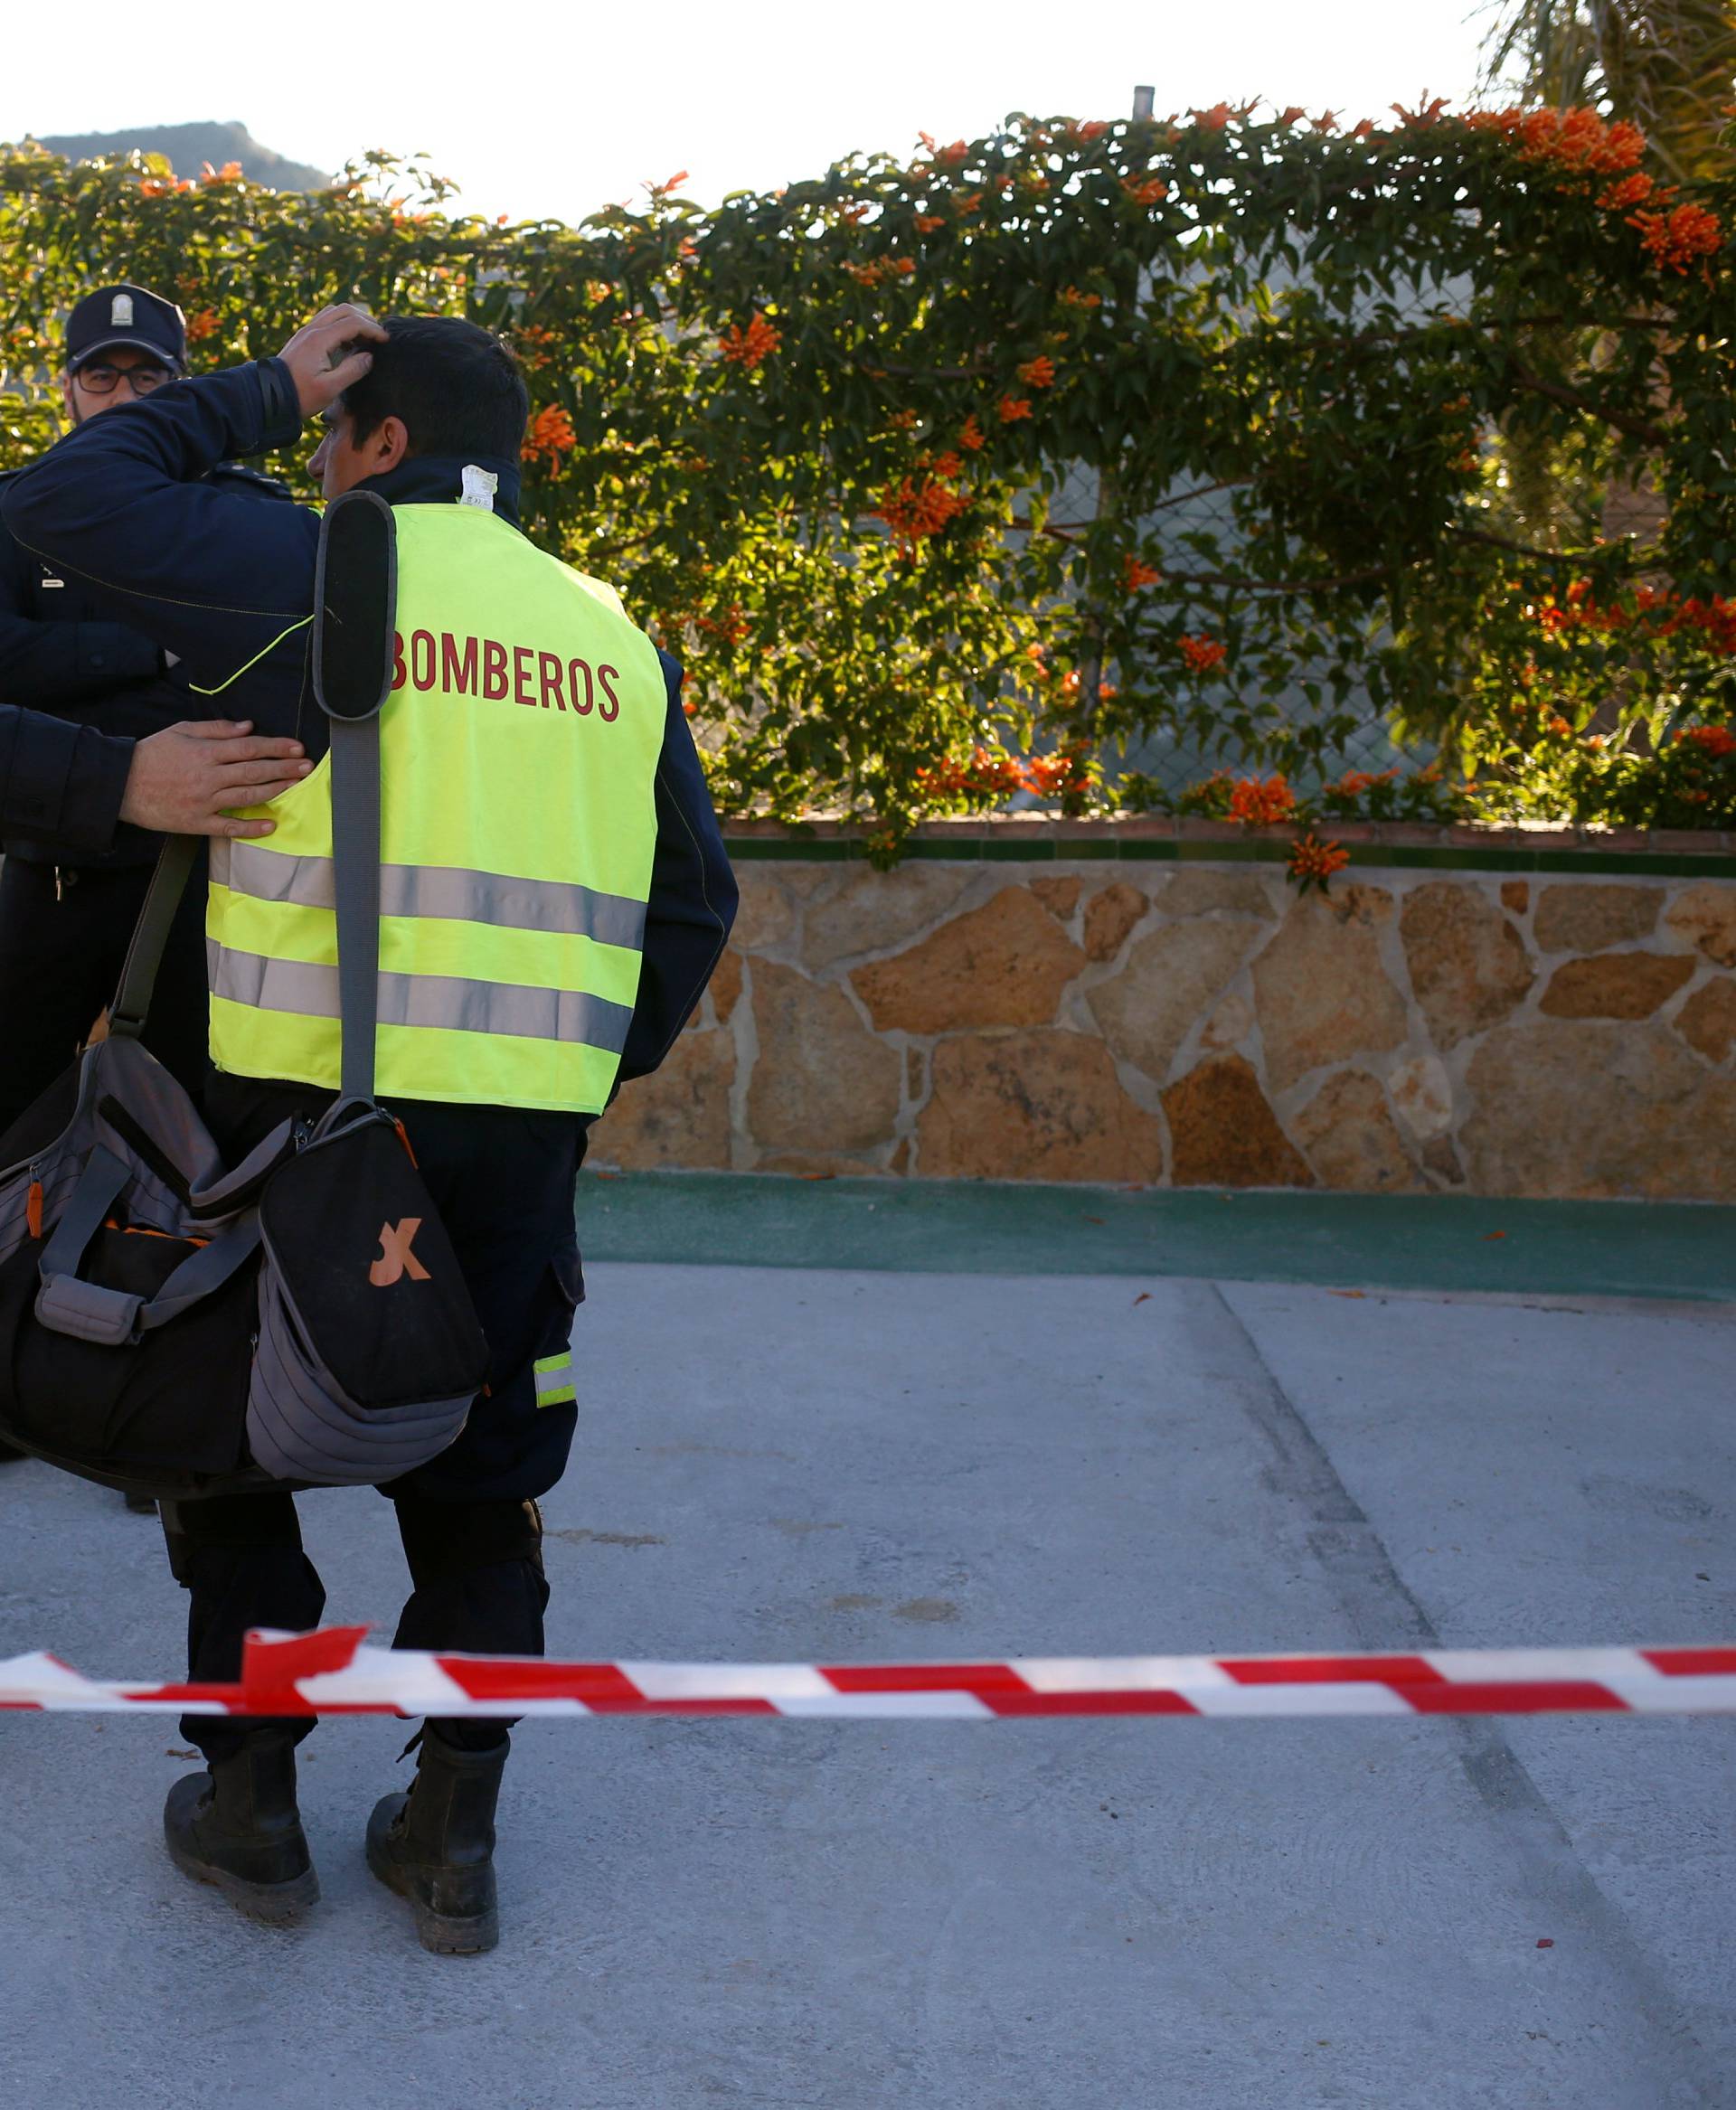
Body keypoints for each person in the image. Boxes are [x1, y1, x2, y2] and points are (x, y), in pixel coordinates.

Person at [3, 304, 737, 1955]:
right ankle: (453, 1829)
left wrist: (261, 384)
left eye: (330, 434)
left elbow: (60, 498)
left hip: (286, 1115)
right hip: (515, 1136)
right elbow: (695, 896)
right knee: (483, 1470)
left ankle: (253, 1799)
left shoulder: (311, 576)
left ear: (376, 444)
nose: (312, 462)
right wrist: (567, 1066)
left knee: (228, 1431)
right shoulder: (610, 635)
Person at [0, 284, 300, 1490]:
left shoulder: (237, 516)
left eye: (145, 379)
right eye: (102, 377)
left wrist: (89, 687)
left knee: (195, 1155)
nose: (121, 396)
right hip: (55, 870)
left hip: (199, 890)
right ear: (67, 386)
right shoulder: (23, 515)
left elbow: (250, 679)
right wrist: (148, 657)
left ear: (182, 390)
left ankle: (155, 1401)